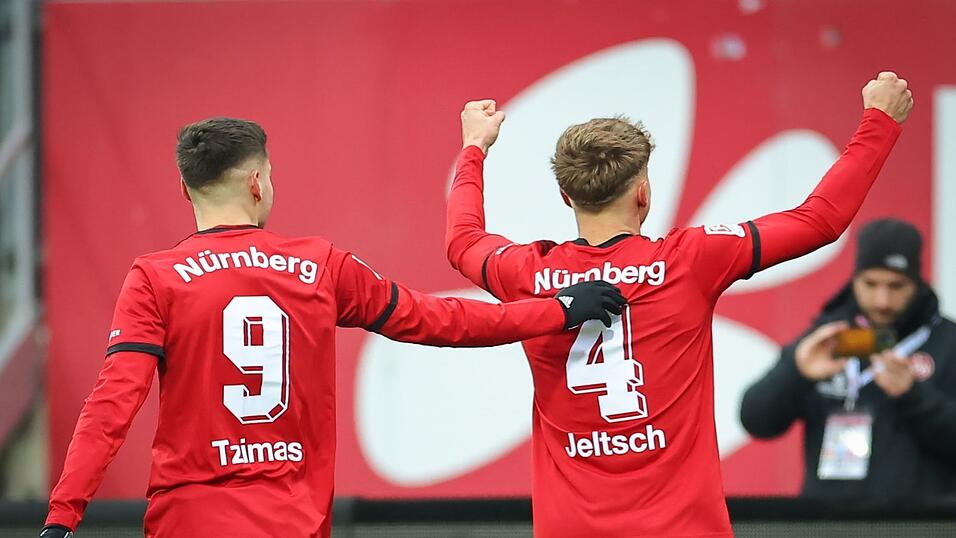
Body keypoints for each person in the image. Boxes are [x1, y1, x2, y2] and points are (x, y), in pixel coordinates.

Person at [39, 118, 627, 538]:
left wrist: (63, 517)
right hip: (293, 520)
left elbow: (112, 405)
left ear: (186, 187)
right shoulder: (319, 265)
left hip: (188, 522)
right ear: (256, 182)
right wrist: (556, 309)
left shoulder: (155, 277)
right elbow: (438, 319)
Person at [444, 72, 912, 537]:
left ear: (565, 196)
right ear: (643, 193)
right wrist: (880, 121)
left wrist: (474, 148)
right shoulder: (691, 260)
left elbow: (463, 240)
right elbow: (819, 220)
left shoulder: (526, 273)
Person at [740, 218, 956, 501]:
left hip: (917, 525)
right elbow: (756, 421)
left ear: (917, 283)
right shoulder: (828, 338)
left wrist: (913, 396)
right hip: (830, 525)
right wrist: (796, 373)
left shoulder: (947, 342)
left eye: (896, 286)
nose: (882, 300)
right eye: (871, 283)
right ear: (854, 278)